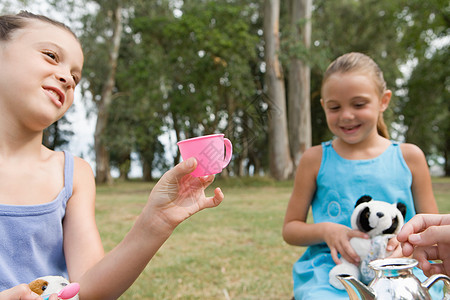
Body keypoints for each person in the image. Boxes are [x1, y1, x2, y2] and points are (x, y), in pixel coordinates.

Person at [0, 11, 224, 300]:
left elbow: (89, 289)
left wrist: (156, 221)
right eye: (51, 56)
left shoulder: (74, 173)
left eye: (76, 77)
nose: (68, 77)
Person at [282, 52, 440, 299]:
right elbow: (290, 229)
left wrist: (406, 243)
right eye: (335, 107)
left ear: (383, 101)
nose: (346, 115)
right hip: (333, 273)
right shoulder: (314, 159)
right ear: (324, 106)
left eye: (358, 104)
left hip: (399, 270)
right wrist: (326, 230)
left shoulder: (410, 157)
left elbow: (431, 229)